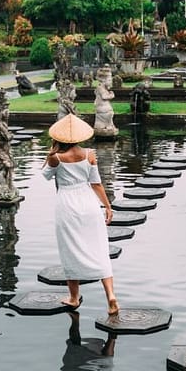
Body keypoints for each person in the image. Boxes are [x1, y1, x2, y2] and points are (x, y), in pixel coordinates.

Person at [42, 114, 119, 314]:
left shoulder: (55, 158)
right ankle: (110, 295)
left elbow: (45, 176)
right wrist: (108, 206)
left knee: (69, 249)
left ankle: (74, 297)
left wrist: (50, 154)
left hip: (67, 205)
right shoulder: (89, 154)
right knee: (100, 248)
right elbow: (96, 183)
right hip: (89, 204)